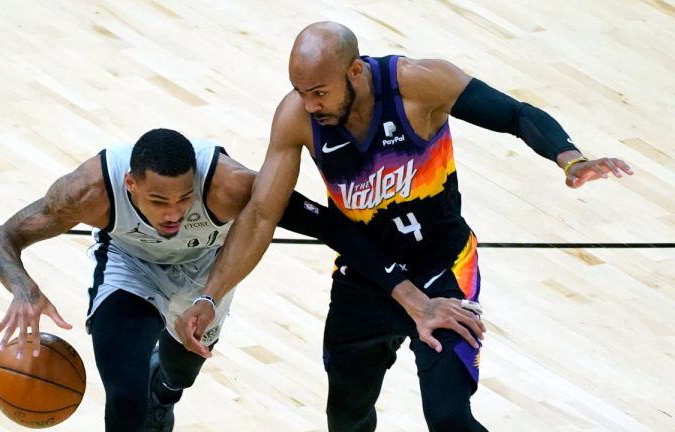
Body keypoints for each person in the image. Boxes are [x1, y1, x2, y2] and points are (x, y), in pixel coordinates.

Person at [175, 21, 634, 432]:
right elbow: (260, 213)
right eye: (300, 91)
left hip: (443, 270)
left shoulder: (418, 83)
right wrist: (209, 295)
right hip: (366, 276)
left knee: (450, 419)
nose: (310, 104)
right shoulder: (298, 117)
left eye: (319, 91)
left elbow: (514, 114)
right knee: (347, 419)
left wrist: (569, 158)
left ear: (354, 71)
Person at [0, 128, 406, 432]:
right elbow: (3, 239)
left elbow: (329, 226)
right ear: (130, 184)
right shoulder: (88, 191)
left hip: (209, 273)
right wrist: (24, 288)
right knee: (126, 396)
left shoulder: (230, 185)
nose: (173, 212)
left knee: (179, 372)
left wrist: (406, 290)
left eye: (184, 198)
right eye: (158, 200)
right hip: (130, 266)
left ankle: (165, 392)